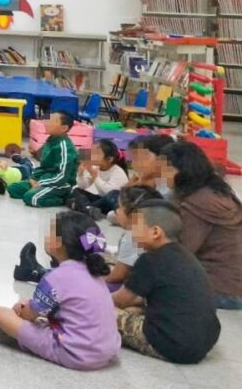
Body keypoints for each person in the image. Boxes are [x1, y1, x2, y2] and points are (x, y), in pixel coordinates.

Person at [0, 211, 120, 371]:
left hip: (76, 354)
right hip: (108, 351)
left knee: (1, 313)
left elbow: (28, 315)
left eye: (50, 232)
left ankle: (18, 338)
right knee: (45, 318)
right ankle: (26, 337)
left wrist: (21, 307)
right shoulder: (95, 273)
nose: (46, 236)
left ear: (58, 243)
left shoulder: (57, 277)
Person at [112, 200, 221, 363]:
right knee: (133, 309)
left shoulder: (150, 259)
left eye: (135, 227)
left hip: (171, 345)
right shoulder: (186, 256)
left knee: (104, 310)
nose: (131, 233)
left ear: (156, 232)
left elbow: (120, 300)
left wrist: (94, 298)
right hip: (203, 343)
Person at [13, 185, 162, 285]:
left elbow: (118, 275)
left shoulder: (132, 239)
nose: (116, 211)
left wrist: (96, 280)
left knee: (81, 268)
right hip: (128, 281)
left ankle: (37, 273)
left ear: (135, 214)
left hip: (118, 286)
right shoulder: (144, 234)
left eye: (119, 207)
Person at [161, 141, 242, 309]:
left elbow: (181, 251)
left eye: (165, 169)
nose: (162, 175)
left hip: (221, 290)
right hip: (233, 285)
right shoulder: (215, 191)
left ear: (181, 171)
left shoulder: (198, 202)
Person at [5, 112, 78, 207]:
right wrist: (33, 178)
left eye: (53, 121)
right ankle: (42, 192)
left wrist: (40, 183)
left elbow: (62, 176)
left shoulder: (65, 147)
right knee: (13, 189)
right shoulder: (50, 140)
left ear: (64, 128)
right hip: (44, 179)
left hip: (60, 184)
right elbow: (43, 166)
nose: (48, 122)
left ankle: (64, 198)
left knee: (31, 198)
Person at [67, 139, 128, 219]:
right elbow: (83, 186)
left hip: (111, 203)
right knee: (76, 191)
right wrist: (80, 174)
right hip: (100, 200)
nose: (91, 155)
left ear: (109, 159)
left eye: (96, 153)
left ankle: (82, 207)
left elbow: (109, 192)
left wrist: (95, 177)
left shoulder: (118, 171)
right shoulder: (96, 168)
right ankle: (88, 209)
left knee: (112, 194)